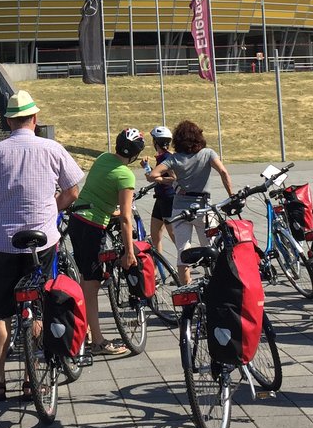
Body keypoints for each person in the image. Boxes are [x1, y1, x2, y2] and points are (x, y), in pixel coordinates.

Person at [0, 90, 84, 401]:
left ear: (8, 121)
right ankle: (32, 375)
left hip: (5, 241)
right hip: (43, 240)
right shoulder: (52, 148)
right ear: (34, 119)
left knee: (0, 312)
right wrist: (51, 208)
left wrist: (5, 208)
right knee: (36, 305)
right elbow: (73, 191)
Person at [68, 128, 146, 356]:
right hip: (92, 228)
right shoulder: (126, 175)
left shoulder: (103, 158)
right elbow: (125, 217)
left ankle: (86, 331)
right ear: (134, 154)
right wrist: (129, 252)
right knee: (91, 286)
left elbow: (98, 193)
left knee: (86, 279)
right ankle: (98, 342)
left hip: (77, 219)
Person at [145, 119, 233, 286]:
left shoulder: (174, 159)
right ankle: (218, 285)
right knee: (211, 248)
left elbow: (152, 176)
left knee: (183, 252)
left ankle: (186, 292)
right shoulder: (208, 154)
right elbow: (223, 171)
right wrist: (232, 194)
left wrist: (171, 182)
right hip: (203, 208)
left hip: (180, 209)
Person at [147, 126, 177, 256]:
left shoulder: (167, 157)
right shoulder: (162, 156)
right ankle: (156, 268)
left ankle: (187, 260)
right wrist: (147, 167)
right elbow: (152, 176)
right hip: (160, 199)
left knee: (174, 235)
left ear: (156, 142)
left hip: (168, 198)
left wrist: (159, 179)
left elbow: (174, 178)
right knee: (155, 235)